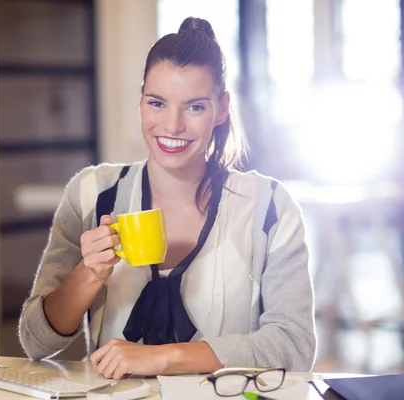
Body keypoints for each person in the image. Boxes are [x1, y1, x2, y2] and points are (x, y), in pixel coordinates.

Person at [18, 17, 316, 379]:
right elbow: (36, 342)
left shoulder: (268, 206)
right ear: (140, 103)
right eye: (157, 103)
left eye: (194, 107)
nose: (172, 126)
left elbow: (294, 344)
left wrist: (162, 358)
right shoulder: (91, 194)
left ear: (221, 108)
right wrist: (89, 273)